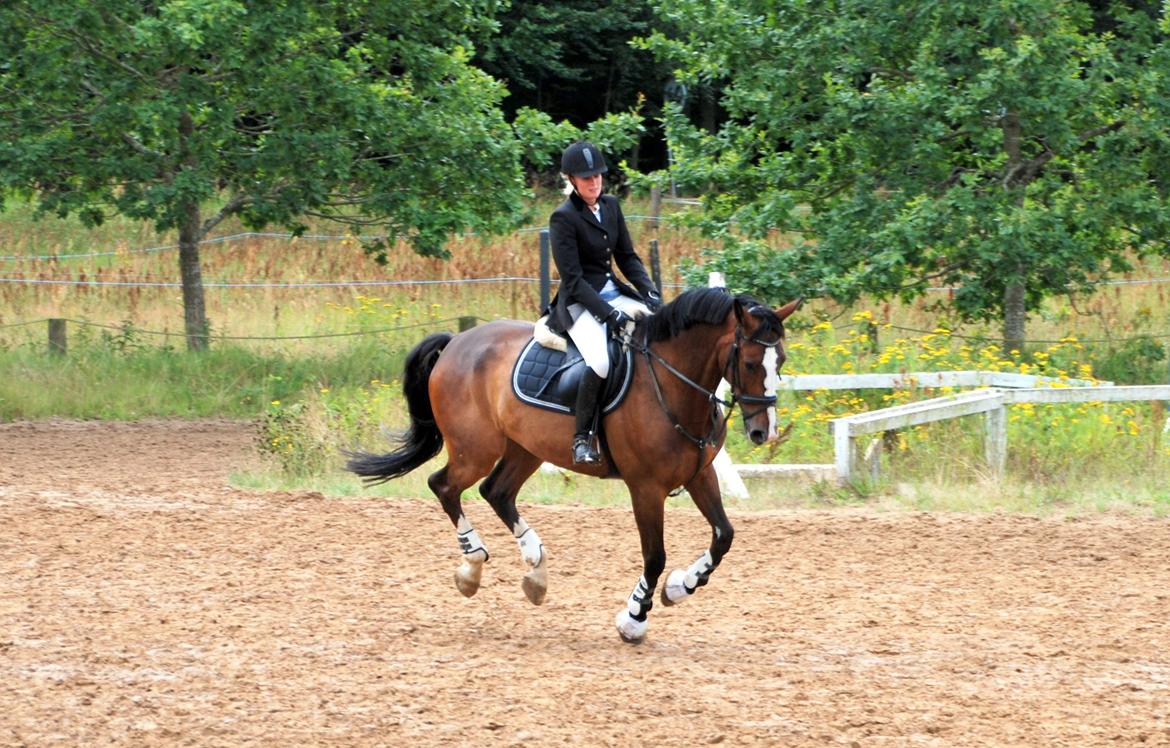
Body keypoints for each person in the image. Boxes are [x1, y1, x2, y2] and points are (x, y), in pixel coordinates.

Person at [546, 141, 663, 464]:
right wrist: (607, 314)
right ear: (571, 179)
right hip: (580, 305)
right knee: (599, 361)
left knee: (658, 339)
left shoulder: (611, 206)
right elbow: (573, 280)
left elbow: (626, 256)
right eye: (586, 178)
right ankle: (582, 439)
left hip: (616, 294)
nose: (594, 182)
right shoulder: (563, 218)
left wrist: (649, 290)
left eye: (597, 176)